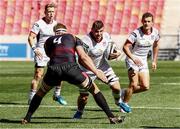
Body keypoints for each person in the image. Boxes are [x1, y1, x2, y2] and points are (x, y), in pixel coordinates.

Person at [21, 23, 125, 124]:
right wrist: (96, 71)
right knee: (94, 90)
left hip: (53, 69)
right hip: (71, 68)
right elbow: (83, 57)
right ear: (66, 31)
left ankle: (27, 118)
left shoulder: (48, 41)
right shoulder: (73, 37)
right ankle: (111, 117)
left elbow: (50, 55)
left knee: (40, 93)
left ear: (55, 33)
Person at [73, 20, 131, 119]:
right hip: (87, 69)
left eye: (101, 31)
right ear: (92, 30)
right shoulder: (86, 41)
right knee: (84, 97)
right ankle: (79, 111)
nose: (99, 34)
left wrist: (116, 54)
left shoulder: (106, 36)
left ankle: (119, 102)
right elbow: (82, 60)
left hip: (103, 66)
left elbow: (109, 52)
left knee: (116, 88)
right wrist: (94, 70)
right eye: (96, 31)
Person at [27, 3, 67, 105]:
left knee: (60, 73)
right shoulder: (38, 24)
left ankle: (57, 95)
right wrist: (34, 49)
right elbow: (31, 37)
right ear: (45, 12)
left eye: (53, 12)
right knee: (38, 75)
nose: (51, 14)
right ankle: (32, 98)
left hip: (53, 52)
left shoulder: (57, 25)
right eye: (49, 12)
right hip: (41, 52)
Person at [122, 12, 160, 111]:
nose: (146, 23)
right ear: (142, 22)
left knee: (145, 86)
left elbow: (156, 45)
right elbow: (125, 47)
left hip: (143, 61)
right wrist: (133, 58)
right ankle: (124, 103)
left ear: (152, 22)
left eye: (149, 21)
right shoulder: (136, 33)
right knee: (134, 84)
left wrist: (154, 61)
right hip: (132, 59)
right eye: (145, 21)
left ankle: (124, 93)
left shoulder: (155, 33)